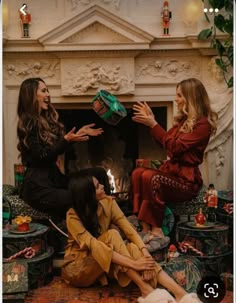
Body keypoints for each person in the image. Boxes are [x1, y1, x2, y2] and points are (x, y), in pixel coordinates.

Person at [61, 170, 201, 303]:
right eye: (98, 186)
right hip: (79, 268)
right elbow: (95, 246)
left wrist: (145, 255)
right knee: (112, 235)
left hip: (104, 261)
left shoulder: (108, 202)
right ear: (88, 194)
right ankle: (146, 289)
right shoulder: (72, 216)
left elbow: (129, 230)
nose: (103, 186)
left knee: (133, 247)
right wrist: (135, 264)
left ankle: (179, 293)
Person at [131, 78, 218, 246]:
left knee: (152, 176)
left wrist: (154, 124)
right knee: (138, 173)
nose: (176, 99)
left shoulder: (203, 125)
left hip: (186, 181)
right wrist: (152, 121)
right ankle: (143, 226)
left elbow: (176, 148)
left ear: (190, 98)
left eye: (179, 95)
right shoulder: (183, 122)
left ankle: (157, 230)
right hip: (172, 173)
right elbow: (166, 144)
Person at [16, 77, 109, 220]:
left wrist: (76, 136)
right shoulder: (28, 122)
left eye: (48, 91)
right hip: (39, 188)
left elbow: (55, 148)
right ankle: (98, 226)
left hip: (56, 180)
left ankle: (108, 218)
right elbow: (42, 156)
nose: (48, 94)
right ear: (32, 95)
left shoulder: (44, 120)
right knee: (85, 195)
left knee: (99, 173)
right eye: (43, 91)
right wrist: (66, 140)